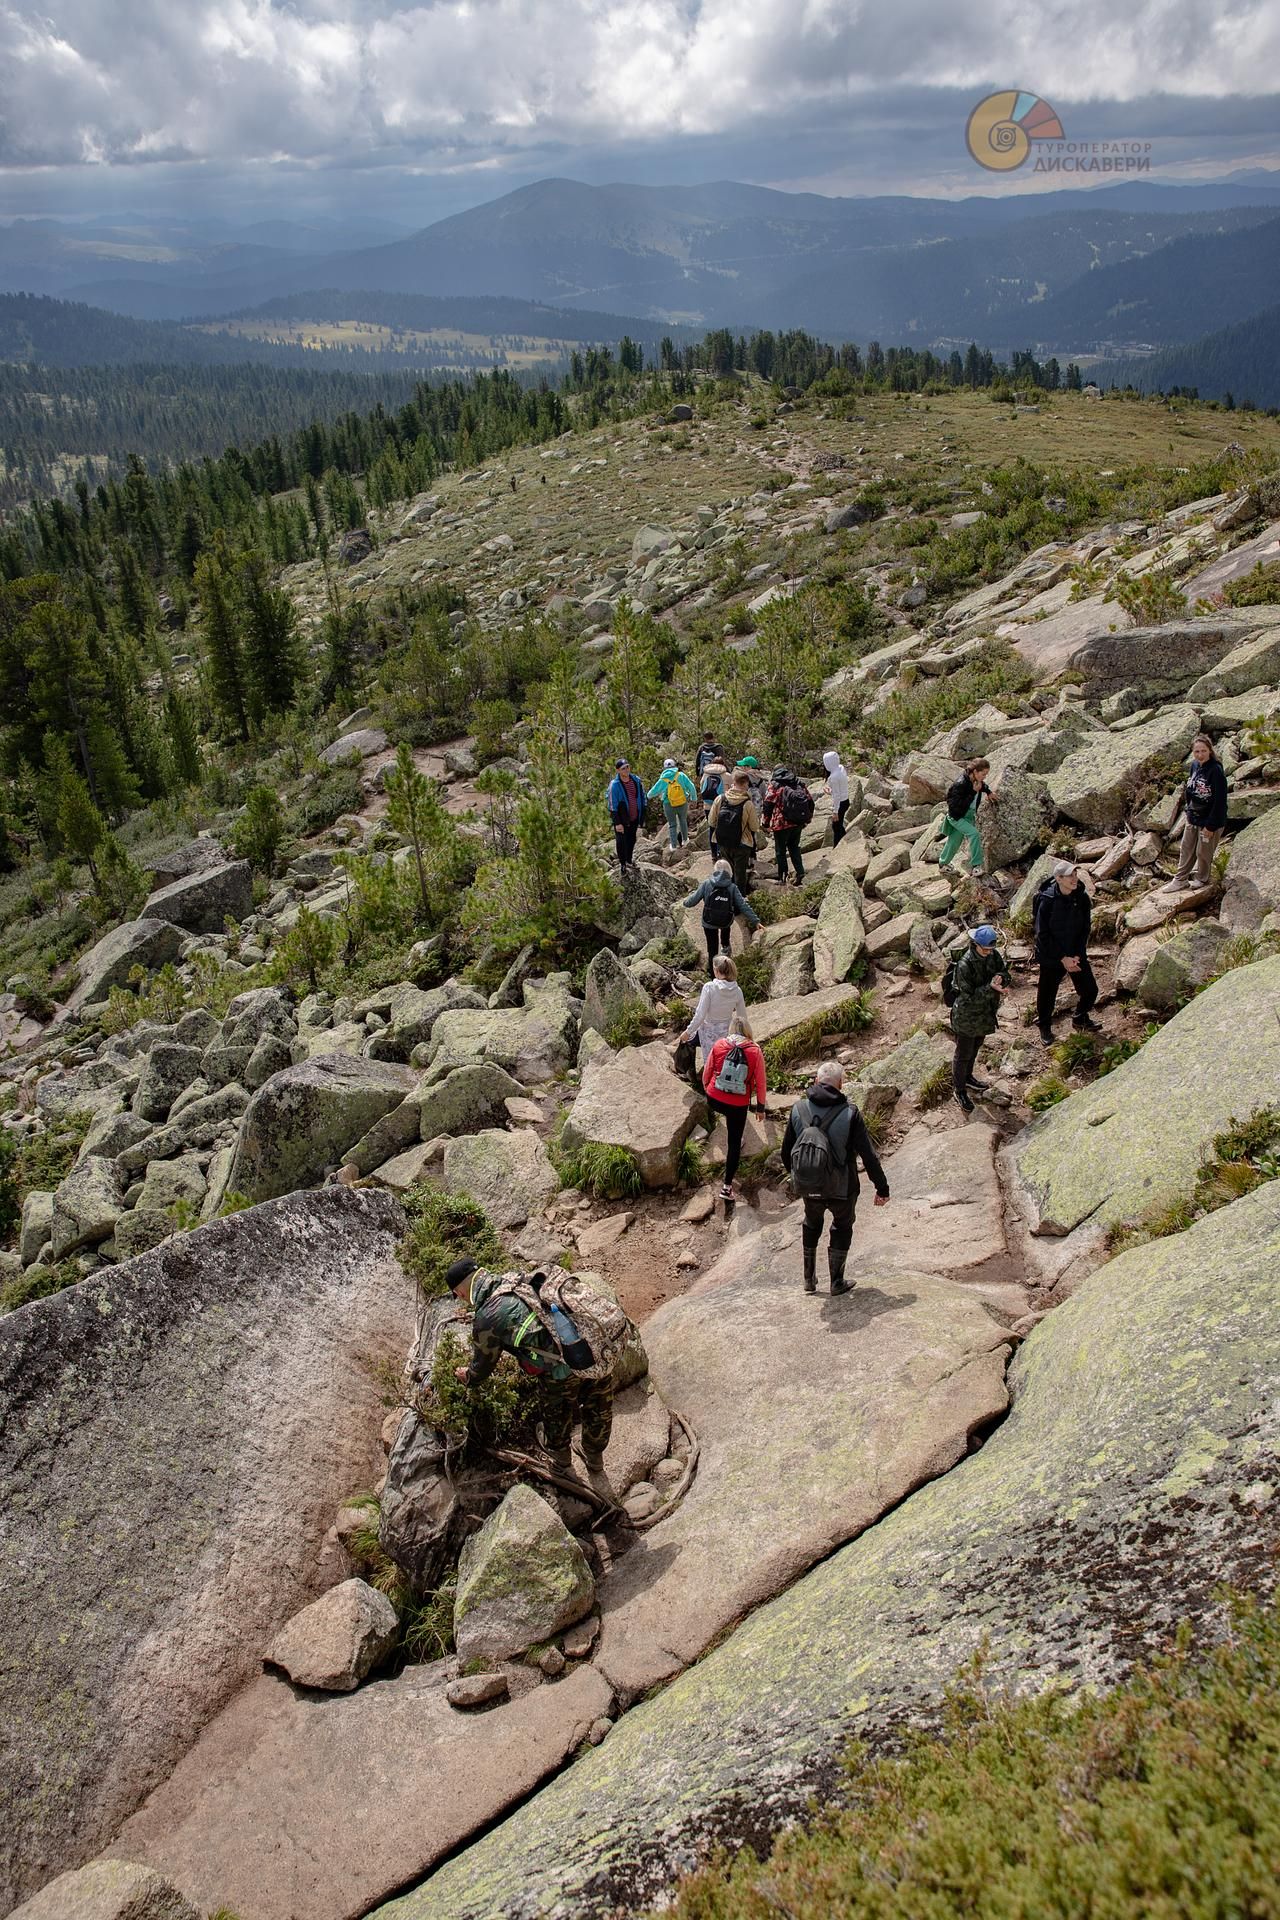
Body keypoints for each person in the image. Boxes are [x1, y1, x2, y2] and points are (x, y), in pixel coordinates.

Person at [445, 1257, 633, 1481]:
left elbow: (483, 1366)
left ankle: (561, 1461)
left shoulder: (487, 1316)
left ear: (461, 1292)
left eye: (457, 1295)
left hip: (559, 1372)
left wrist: (469, 1377)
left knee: (557, 1412)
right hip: (591, 1348)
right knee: (598, 1405)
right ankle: (595, 1459)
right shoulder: (514, 1278)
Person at [781, 1061, 889, 1295]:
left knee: (811, 1223)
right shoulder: (850, 1112)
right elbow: (868, 1156)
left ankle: (808, 1281)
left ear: (816, 1081)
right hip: (843, 1187)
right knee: (842, 1226)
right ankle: (836, 1282)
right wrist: (882, 1189)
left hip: (810, 1186)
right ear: (841, 1084)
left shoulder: (798, 1109)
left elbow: (785, 1151)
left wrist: (799, 1177)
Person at [701, 1016, 767, 1202]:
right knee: (734, 1142)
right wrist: (760, 1108)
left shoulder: (720, 1044)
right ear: (747, 1031)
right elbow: (761, 1083)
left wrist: (707, 1088)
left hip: (714, 1098)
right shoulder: (755, 1051)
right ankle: (727, 1187)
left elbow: (708, 1070)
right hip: (738, 1104)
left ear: (731, 1029)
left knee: (726, 1116)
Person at [1032, 860, 1097, 1045]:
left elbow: (1085, 928)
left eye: (1075, 875)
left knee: (1090, 990)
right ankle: (1044, 1026)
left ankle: (1080, 1017)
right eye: (1070, 876)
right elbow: (1041, 934)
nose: (1074, 879)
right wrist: (1062, 958)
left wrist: (1076, 955)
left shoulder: (1082, 897)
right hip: (1051, 956)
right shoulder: (1046, 900)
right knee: (1047, 994)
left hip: (1075, 954)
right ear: (1058, 878)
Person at [949, 923, 1013, 1112]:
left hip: (984, 1014)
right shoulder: (964, 964)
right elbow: (967, 996)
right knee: (963, 1054)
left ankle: (968, 1078)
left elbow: (1004, 971)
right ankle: (959, 1089)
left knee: (975, 1048)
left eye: (990, 949)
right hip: (967, 1016)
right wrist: (991, 988)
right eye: (985, 949)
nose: (988, 952)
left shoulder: (993, 955)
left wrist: (1002, 978)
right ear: (975, 944)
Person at [1166, 734, 1228, 892]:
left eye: (1203, 751)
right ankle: (1180, 880)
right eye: (1197, 751)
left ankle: (1202, 878)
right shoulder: (1194, 765)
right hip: (1193, 817)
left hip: (1210, 821)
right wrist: (1188, 811)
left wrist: (1211, 826)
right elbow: (1191, 790)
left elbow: (1220, 802)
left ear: (1210, 751)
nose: (1200, 755)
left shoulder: (1216, 771)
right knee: (1186, 849)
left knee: (1203, 852)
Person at [683, 863, 760, 973]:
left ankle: (713, 974)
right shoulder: (732, 887)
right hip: (725, 921)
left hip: (708, 922)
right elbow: (743, 905)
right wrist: (755, 920)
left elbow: (692, 901)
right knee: (725, 930)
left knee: (712, 949)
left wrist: (684, 902)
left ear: (715, 871)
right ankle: (726, 952)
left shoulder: (706, 884)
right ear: (730, 872)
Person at [708, 771, 762, 896]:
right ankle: (739, 902)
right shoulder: (747, 804)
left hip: (723, 842)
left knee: (727, 873)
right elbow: (754, 827)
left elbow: (711, 822)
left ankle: (727, 899)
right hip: (742, 844)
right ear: (745, 784)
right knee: (740, 875)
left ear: (734, 783)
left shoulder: (720, 799)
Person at [940, 759, 997, 875]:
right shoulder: (960, 784)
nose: (985, 777)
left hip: (967, 816)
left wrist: (988, 792)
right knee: (974, 833)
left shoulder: (975, 780)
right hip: (957, 816)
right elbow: (954, 806)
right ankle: (977, 866)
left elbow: (982, 786)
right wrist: (973, 793)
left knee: (955, 841)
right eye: (983, 774)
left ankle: (943, 864)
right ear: (975, 771)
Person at [763, 765, 813, 885]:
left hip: (781, 823)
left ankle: (782, 877)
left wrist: (765, 823)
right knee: (794, 847)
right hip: (797, 822)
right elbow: (810, 801)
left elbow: (768, 804)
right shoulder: (798, 783)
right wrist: (808, 818)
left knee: (780, 850)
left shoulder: (775, 785)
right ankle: (800, 872)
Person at [648, 758, 697, 848]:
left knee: (672, 824)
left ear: (664, 768)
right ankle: (685, 840)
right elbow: (691, 786)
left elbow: (652, 792)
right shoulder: (681, 775)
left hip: (668, 804)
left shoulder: (663, 779)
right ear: (675, 766)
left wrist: (649, 796)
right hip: (682, 802)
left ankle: (673, 845)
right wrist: (693, 798)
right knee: (683, 821)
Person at [607, 757, 645, 873]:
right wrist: (617, 822)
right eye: (623, 768)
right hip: (622, 818)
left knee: (631, 839)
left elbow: (642, 796)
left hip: (634, 816)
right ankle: (623, 864)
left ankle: (629, 860)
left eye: (627, 767)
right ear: (618, 770)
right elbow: (613, 805)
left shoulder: (636, 780)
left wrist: (643, 813)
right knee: (621, 842)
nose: (626, 770)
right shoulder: (615, 785)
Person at [823, 750, 851, 844]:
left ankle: (838, 848)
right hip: (845, 800)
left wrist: (835, 812)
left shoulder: (833, 777)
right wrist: (831, 791)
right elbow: (839, 790)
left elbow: (837, 796)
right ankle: (844, 841)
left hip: (840, 803)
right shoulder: (841, 768)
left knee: (836, 827)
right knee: (838, 825)